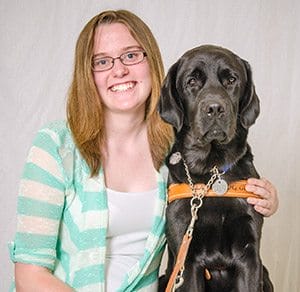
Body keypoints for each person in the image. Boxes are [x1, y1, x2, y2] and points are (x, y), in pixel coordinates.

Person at [9, 9, 278, 292]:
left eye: (131, 55)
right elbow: (29, 275)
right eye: (102, 61)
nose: (119, 70)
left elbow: (220, 196)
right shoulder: (55, 147)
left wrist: (266, 197)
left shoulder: (175, 153)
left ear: (151, 62)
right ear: (87, 75)